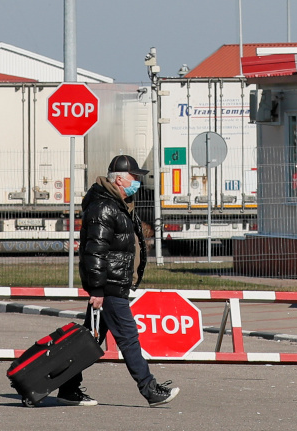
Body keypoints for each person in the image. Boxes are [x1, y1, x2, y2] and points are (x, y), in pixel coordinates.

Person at [57, 154, 180, 407]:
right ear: (121, 179)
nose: (137, 182)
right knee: (129, 338)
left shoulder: (120, 204)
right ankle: (150, 389)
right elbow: (95, 251)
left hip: (113, 285)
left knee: (89, 340)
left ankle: (68, 387)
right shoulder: (105, 207)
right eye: (134, 177)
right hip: (109, 287)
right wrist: (98, 289)